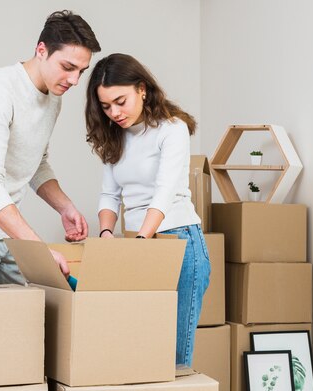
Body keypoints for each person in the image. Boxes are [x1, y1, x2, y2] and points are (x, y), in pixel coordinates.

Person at [0, 10, 101, 286]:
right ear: (41, 50)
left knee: (24, 321)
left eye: (81, 72)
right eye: (68, 67)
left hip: (9, 231)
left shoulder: (52, 99)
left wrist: (65, 207)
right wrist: (40, 251)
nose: (74, 81)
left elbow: (36, 162)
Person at [84, 53, 210, 366]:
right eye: (105, 106)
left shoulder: (172, 129)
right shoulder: (116, 136)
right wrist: (107, 233)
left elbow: (164, 193)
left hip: (178, 242)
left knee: (174, 358)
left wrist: (140, 241)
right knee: (140, 352)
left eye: (120, 101)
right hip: (139, 242)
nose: (114, 112)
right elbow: (109, 195)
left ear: (142, 88)